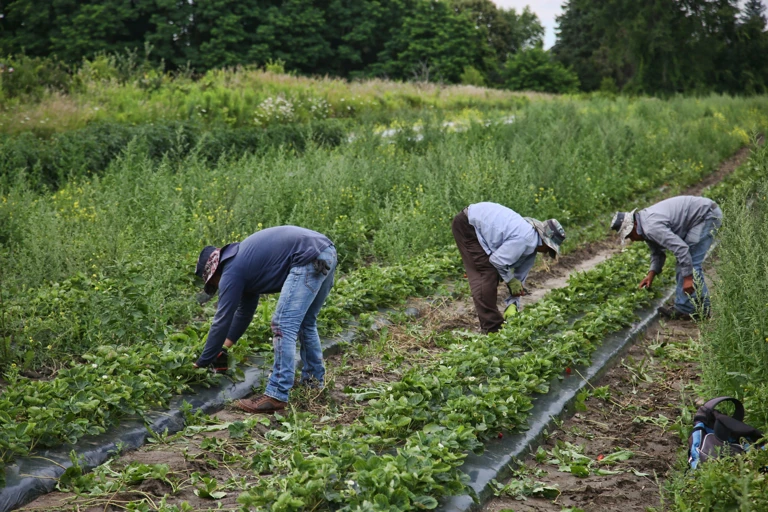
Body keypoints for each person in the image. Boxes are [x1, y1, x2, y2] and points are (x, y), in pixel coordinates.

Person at [194, 225, 337, 413]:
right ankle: (313, 384)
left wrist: (202, 361)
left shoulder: (231, 271)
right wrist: (222, 348)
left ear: (215, 271)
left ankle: (276, 394)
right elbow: (244, 314)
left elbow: (222, 319)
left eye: (214, 284)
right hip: (325, 252)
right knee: (305, 323)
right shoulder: (244, 264)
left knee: (282, 324)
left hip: (308, 257)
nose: (219, 287)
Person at [452, 202, 566, 333]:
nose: (546, 252)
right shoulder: (525, 238)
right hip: (468, 225)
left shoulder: (531, 247)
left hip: (477, 226)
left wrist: (513, 303)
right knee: (485, 273)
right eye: (548, 249)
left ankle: (493, 325)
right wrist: (510, 281)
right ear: (545, 242)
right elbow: (498, 261)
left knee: (492, 272)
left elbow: (519, 280)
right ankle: (492, 328)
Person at [610, 195, 722, 320]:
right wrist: (651, 274)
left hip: (706, 216)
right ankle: (693, 308)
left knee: (690, 262)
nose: (632, 239)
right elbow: (657, 252)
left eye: (630, 235)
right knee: (685, 263)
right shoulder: (644, 224)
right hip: (701, 215)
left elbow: (681, 249)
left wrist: (688, 278)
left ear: (634, 226)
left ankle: (695, 309)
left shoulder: (651, 227)